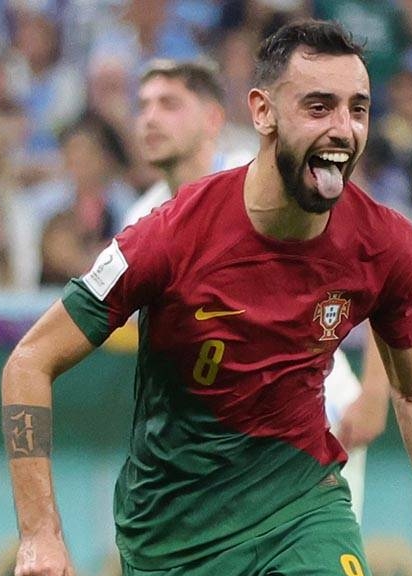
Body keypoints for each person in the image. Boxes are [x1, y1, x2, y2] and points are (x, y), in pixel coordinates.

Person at [1, 20, 412, 576]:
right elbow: (29, 362)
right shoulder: (168, 236)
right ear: (262, 113)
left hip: (302, 505)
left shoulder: (385, 243)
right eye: (318, 106)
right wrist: (40, 531)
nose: (343, 129)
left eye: (358, 109)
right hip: (177, 533)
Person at [125, 57, 388, 524]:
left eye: (168, 104)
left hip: (317, 417)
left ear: (212, 119)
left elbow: (381, 260)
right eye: (143, 105)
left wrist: (374, 393)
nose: (149, 118)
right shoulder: (142, 221)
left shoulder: (273, 174)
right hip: (221, 441)